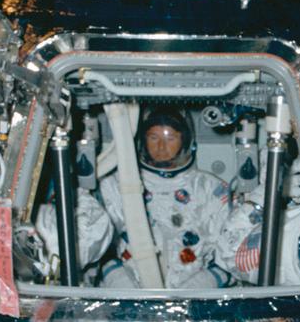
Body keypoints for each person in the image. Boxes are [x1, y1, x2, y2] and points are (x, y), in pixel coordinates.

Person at [96, 107, 254, 288]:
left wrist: (205, 283)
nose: (161, 147)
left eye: (170, 138)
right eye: (153, 137)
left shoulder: (210, 189)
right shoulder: (116, 186)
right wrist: (118, 279)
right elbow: (97, 247)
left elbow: (233, 250)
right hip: (129, 293)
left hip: (195, 298)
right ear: (142, 141)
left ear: (185, 141)